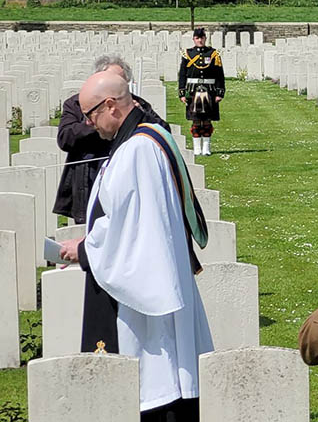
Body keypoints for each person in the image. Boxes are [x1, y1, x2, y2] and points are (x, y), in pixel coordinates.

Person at [58, 72, 212, 422]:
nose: (88, 123)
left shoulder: (138, 151)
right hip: (156, 279)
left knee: (157, 381)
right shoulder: (148, 138)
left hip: (144, 306)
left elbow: (133, 235)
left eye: (91, 114)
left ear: (110, 105)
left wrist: (84, 251)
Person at [54, 55, 166, 224]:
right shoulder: (76, 104)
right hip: (87, 176)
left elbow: (162, 132)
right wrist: (98, 120)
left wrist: (135, 117)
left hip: (125, 179)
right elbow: (65, 139)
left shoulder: (136, 105)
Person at [178, 27, 225, 156]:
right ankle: (197, 148)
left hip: (209, 90)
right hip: (193, 91)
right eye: (197, 38)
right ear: (194, 39)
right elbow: (182, 75)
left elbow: (219, 75)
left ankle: (206, 148)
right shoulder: (188, 54)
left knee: (207, 120)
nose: (200, 40)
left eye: (202, 38)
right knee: (196, 120)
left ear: (205, 38)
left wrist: (219, 92)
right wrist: (182, 93)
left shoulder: (213, 54)